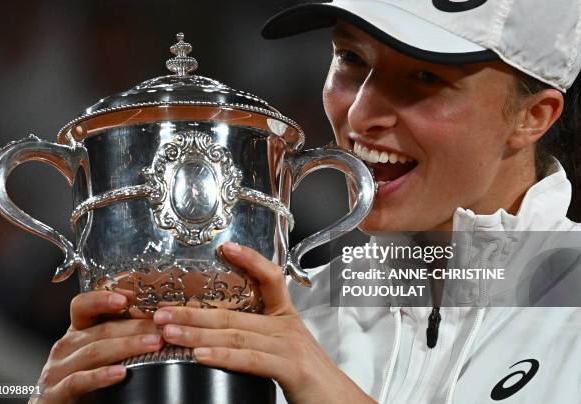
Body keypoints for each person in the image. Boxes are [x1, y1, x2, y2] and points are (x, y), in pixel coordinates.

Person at [31, 1, 581, 403]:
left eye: (422, 77)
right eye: (349, 58)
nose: (361, 114)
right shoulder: (281, 319)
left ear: (533, 117)